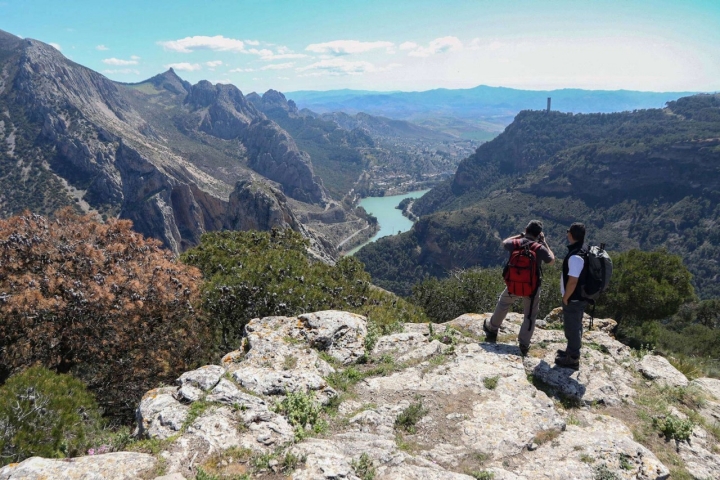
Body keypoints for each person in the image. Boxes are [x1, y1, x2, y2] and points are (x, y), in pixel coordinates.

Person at [483, 220, 555, 356]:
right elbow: (551, 260)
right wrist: (544, 242)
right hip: (531, 288)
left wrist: (520, 235)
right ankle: (523, 343)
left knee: (503, 303)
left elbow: (504, 242)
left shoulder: (515, 243)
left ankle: (492, 328)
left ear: (526, 229)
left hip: (513, 284)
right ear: (539, 234)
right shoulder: (539, 248)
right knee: (530, 315)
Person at [555, 222, 587, 369]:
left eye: (568, 231)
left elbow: (573, 281)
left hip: (574, 298)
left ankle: (573, 358)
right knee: (576, 324)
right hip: (579, 297)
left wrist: (566, 297)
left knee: (572, 327)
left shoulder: (576, 256)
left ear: (571, 235)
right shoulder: (582, 249)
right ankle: (570, 351)